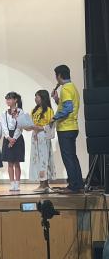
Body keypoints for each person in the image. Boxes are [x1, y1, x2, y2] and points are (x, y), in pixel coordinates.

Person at [50, 64, 84, 194]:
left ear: (59, 76)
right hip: (72, 127)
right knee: (72, 157)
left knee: (68, 158)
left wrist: (54, 118)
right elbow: (67, 105)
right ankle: (78, 183)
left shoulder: (65, 88)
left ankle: (73, 185)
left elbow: (68, 109)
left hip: (66, 128)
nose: (56, 79)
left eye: (56, 76)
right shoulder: (72, 87)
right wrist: (57, 99)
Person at [29, 90, 56, 192]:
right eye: (35, 96)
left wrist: (40, 128)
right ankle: (41, 183)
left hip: (43, 137)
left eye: (37, 97)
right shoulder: (34, 110)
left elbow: (51, 124)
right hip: (35, 136)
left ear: (43, 98)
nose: (35, 98)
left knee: (44, 159)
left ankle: (45, 184)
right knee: (37, 159)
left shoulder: (48, 110)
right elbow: (31, 123)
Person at [1, 92, 25, 191]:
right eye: (7, 99)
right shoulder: (4, 113)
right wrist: (8, 137)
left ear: (15, 100)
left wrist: (14, 138)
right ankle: (11, 184)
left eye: (10, 99)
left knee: (17, 162)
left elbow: (20, 126)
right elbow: (4, 126)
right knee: (10, 163)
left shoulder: (21, 112)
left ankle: (17, 184)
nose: (8, 101)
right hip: (8, 138)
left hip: (17, 138)